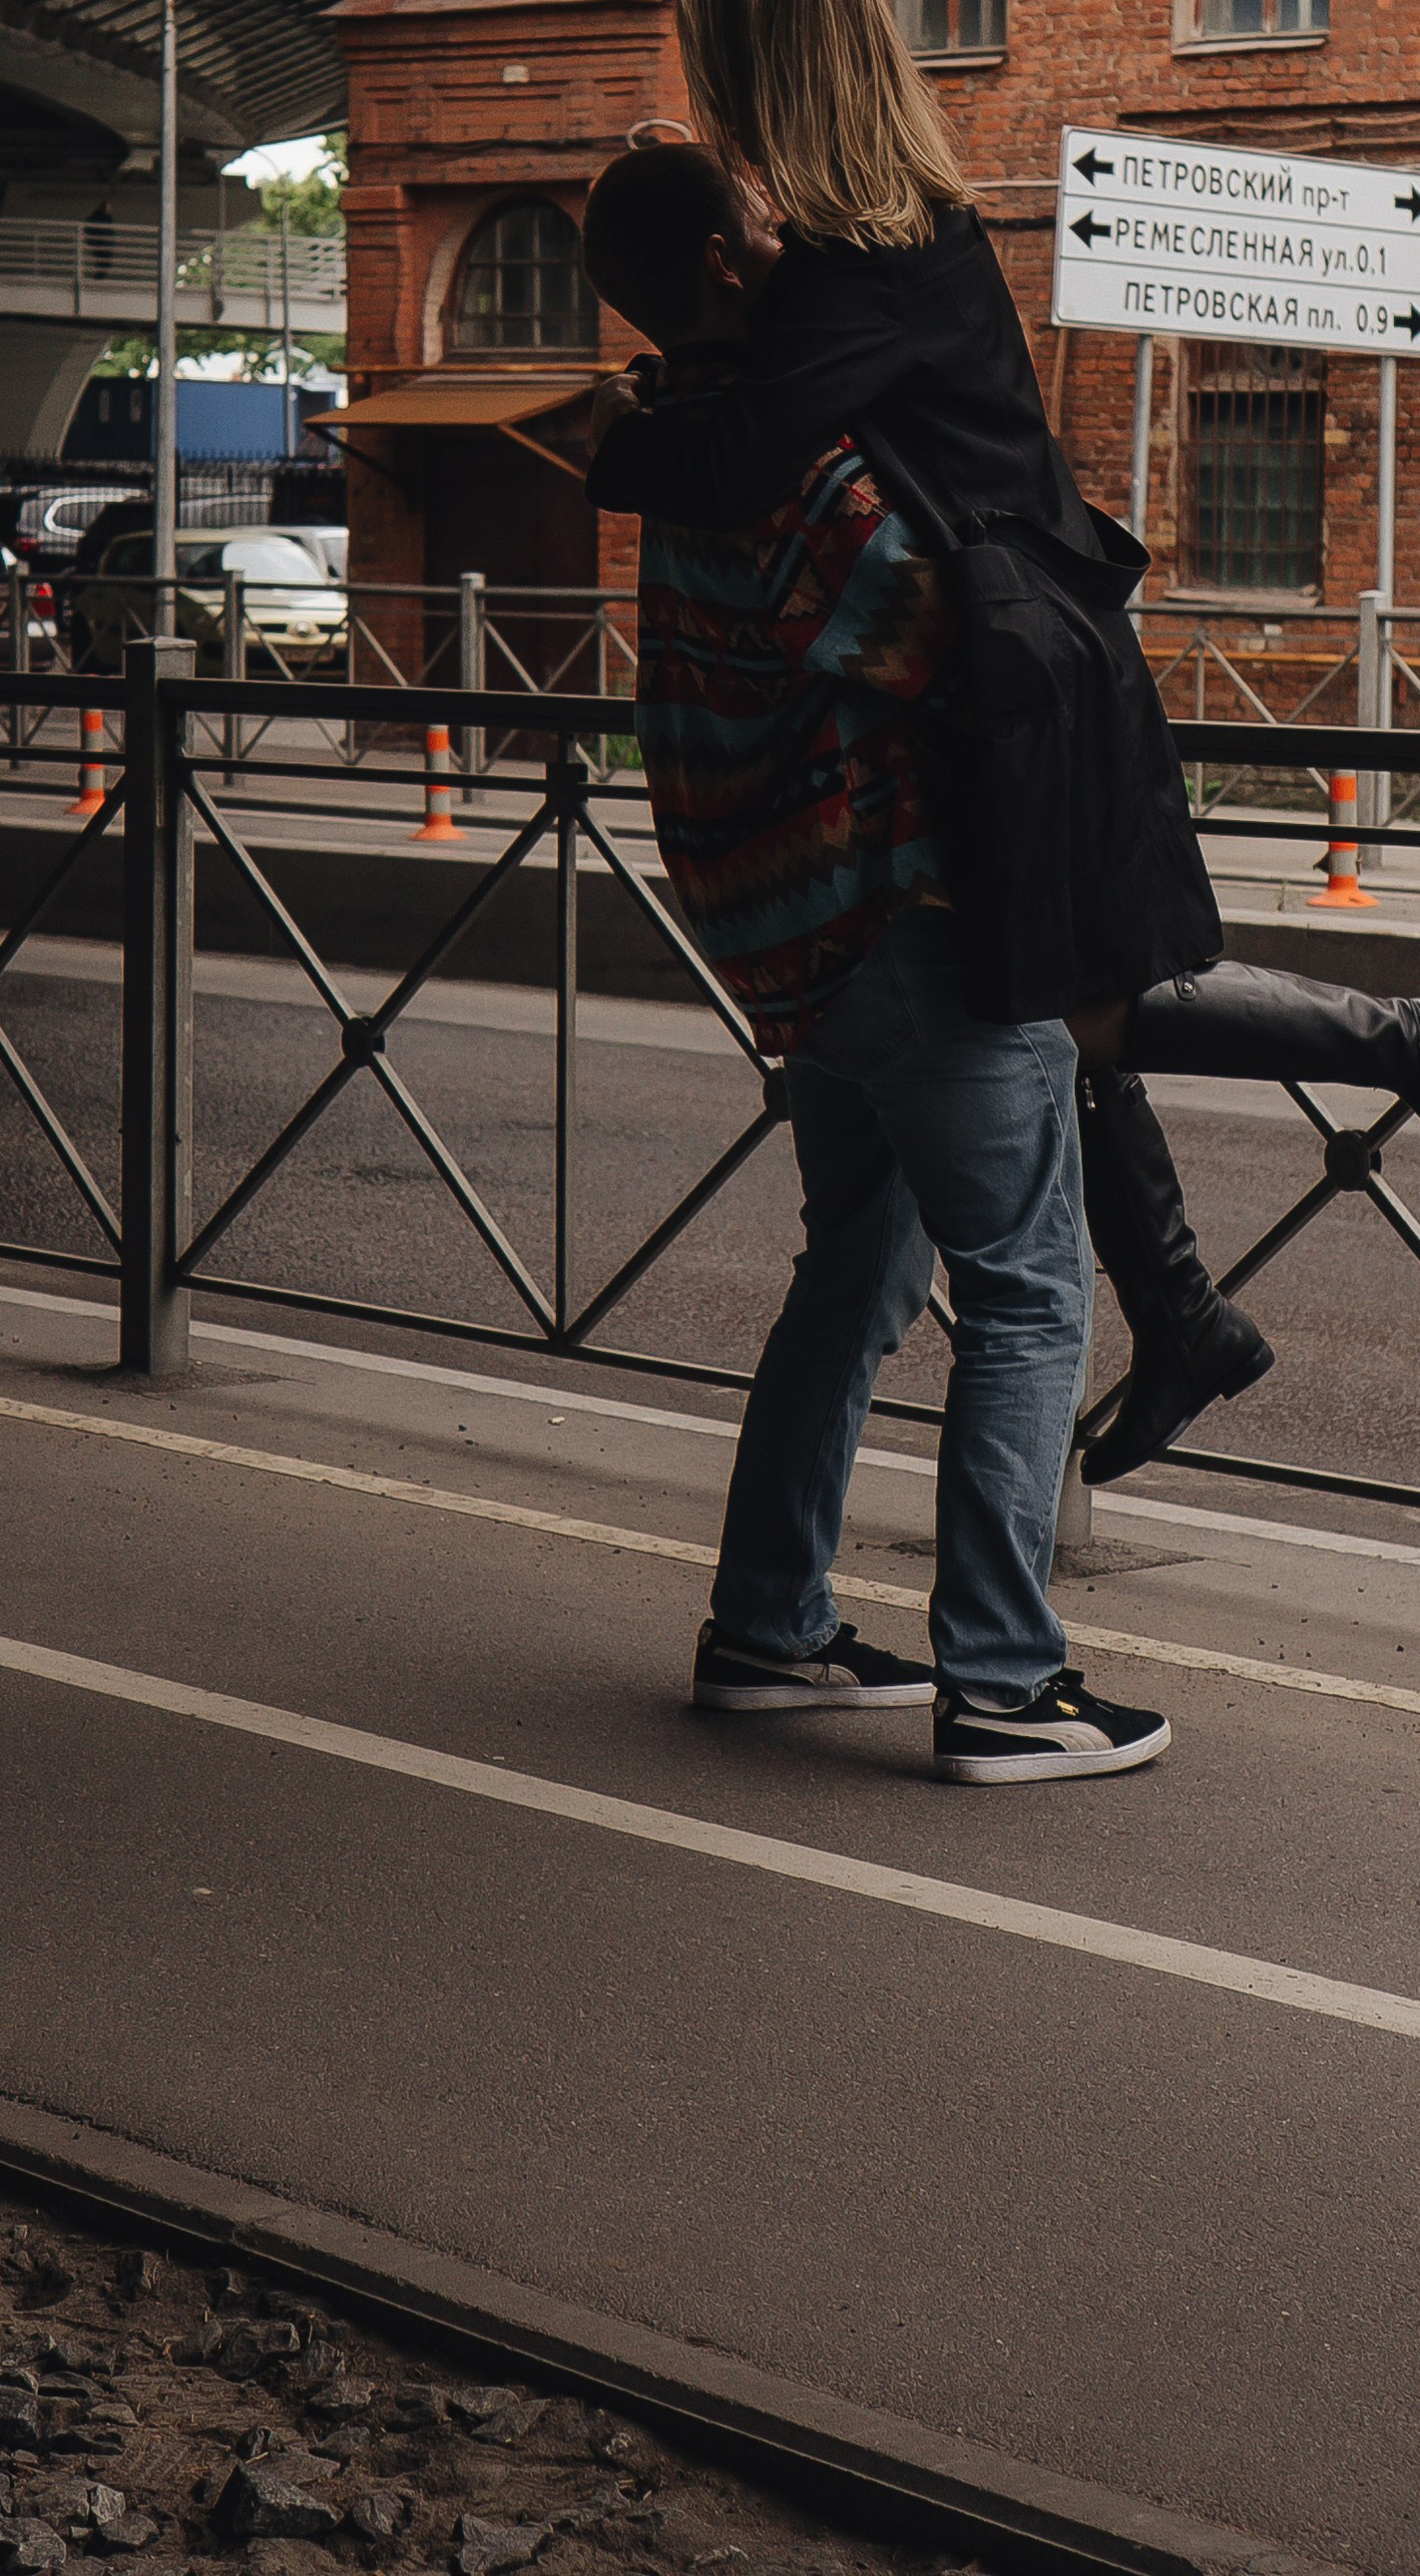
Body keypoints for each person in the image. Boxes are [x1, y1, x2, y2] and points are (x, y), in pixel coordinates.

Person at [588, 0, 1420, 1495]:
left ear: (770, 81)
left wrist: (605, 433)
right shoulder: (883, 246)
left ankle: (1409, 1055)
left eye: (720, 84)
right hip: (1009, 676)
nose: (715, 121)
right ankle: (1196, 1303)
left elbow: (740, 465)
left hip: (1014, 690)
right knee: (1067, 1012)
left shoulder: (863, 272)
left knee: (1076, 1012)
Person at [583, 136, 1171, 1783]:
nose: (792, 241)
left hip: (794, 945)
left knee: (853, 1276)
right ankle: (1005, 1686)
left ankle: (769, 1627)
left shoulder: (686, 446)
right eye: (769, 223)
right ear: (724, 261)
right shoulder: (795, 472)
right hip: (901, 921)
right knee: (1032, 1293)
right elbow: (957, 647)